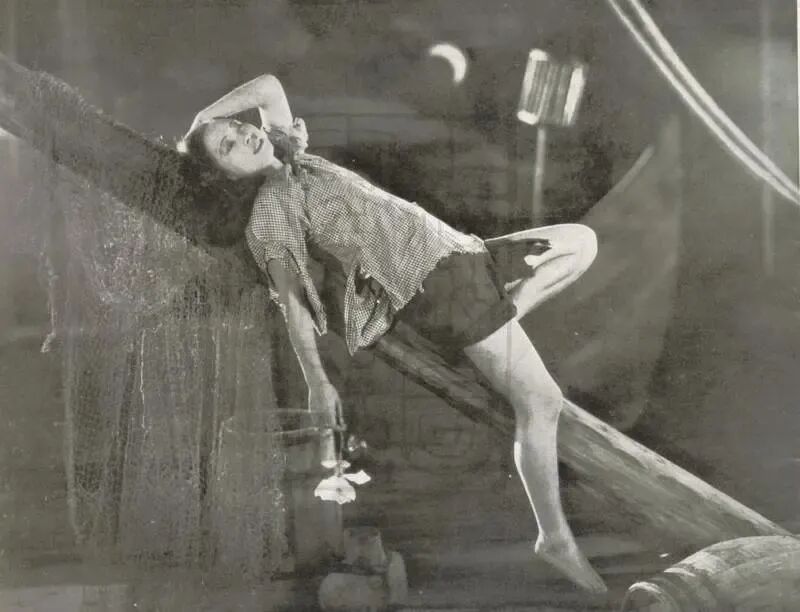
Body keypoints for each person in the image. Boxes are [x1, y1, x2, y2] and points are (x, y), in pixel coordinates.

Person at [180, 74, 606, 594]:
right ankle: (554, 537)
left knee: (580, 243)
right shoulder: (269, 213)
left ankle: (497, 323)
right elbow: (292, 305)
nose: (244, 134)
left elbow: (267, 87)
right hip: (441, 290)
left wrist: (205, 119)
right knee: (541, 403)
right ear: (226, 178)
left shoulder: (292, 156)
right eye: (228, 146)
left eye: (236, 126)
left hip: (462, 254)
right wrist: (317, 381)